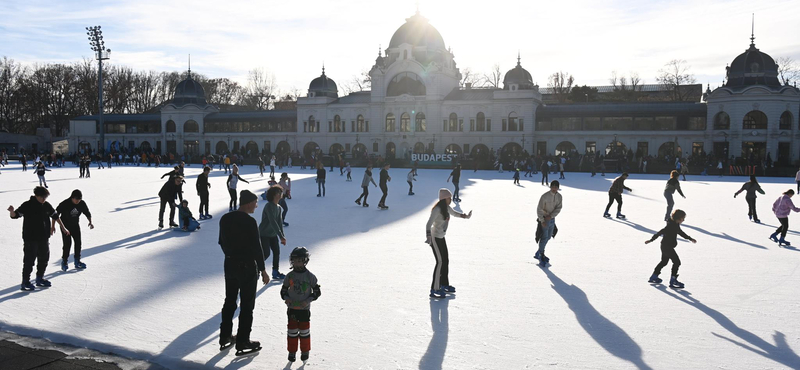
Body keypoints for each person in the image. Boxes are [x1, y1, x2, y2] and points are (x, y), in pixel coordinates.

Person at [218, 190, 269, 355]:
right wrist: (263, 270)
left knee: (230, 301)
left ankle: (225, 336)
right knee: (247, 305)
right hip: (247, 266)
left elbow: (221, 242)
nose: (256, 205)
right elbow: (257, 247)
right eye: (255, 202)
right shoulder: (250, 222)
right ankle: (243, 341)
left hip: (230, 264)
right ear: (248, 203)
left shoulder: (225, 218)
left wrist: (230, 254)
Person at [8, 186, 67, 291]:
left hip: (44, 237)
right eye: (42, 197)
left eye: (45, 197)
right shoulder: (27, 205)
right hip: (30, 238)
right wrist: (12, 212)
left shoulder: (46, 205)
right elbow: (16, 215)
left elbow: (55, 216)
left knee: (44, 258)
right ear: (36, 195)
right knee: (29, 260)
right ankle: (25, 281)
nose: (44, 199)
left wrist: (63, 228)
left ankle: (40, 278)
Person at [425, 188, 472, 299]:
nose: (450, 199)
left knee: (445, 260)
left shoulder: (446, 208)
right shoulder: (437, 209)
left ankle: (444, 284)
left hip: (441, 237)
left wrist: (465, 216)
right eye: (449, 198)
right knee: (440, 262)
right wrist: (428, 236)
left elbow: (454, 213)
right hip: (435, 238)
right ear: (444, 198)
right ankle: (434, 288)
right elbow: (428, 224)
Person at [281, 247, 321, 363]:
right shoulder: (289, 276)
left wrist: (308, 300)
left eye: (300, 260)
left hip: (304, 310)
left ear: (305, 261)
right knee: (292, 331)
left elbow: (317, 292)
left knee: (304, 332)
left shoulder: (310, 276)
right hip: (292, 309)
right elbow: (283, 291)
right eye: (295, 260)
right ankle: (292, 352)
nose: (297, 263)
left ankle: (305, 351)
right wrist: (287, 298)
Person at [645, 209, 696, 289]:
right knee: (677, 262)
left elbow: (681, 233)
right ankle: (673, 280)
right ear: (678, 218)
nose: (683, 220)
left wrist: (690, 238)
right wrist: (651, 240)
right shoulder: (671, 226)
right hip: (667, 247)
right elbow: (660, 232)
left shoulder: (675, 225)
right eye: (683, 218)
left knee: (664, 262)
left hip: (664, 246)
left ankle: (654, 276)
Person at [56, 189, 94, 271]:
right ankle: (64, 261)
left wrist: (90, 222)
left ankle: (77, 261)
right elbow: (55, 214)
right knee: (67, 244)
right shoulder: (65, 204)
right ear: (72, 198)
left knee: (78, 242)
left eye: (79, 199)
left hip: (75, 225)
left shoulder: (82, 203)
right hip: (65, 226)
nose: (78, 201)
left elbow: (87, 212)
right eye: (76, 199)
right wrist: (53, 226)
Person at [260, 185, 287, 279]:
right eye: (278, 193)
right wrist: (280, 235)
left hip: (273, 234)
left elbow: (279, 223)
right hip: (264, 234)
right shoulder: (268, 206)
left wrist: (282, 236)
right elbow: (272, 221)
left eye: (280, 193)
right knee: (266, 253)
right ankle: (256, 267)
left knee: (276, 252)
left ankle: (275, 272)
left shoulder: (279, 208)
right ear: (273, 195)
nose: (280, 195)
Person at [535, 181, 562, 266]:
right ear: (550, 187)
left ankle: (539, 251)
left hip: (552, 219)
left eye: (556, 187)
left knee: (549, 236)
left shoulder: (559, 196)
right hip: (544, 219)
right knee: (544, 237)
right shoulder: (545, 196)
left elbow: (559, 207)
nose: (554, 188)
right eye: (553, 187)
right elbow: (539, 209)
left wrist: (552, 216)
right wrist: (542, 221)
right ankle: (541, 254)